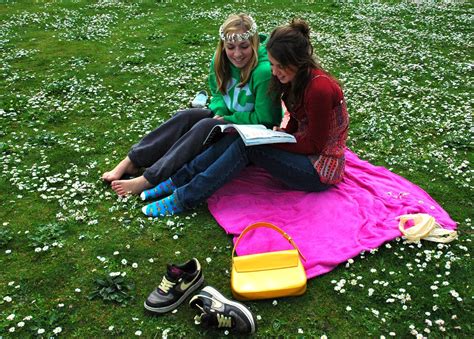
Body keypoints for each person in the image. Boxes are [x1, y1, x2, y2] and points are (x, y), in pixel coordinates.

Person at [139, 19, 349, 217]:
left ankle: (183, 199)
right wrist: (283, 135)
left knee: (249, 146)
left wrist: (276, 143)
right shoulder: (294, 78)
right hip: (301, 153)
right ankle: (176, 180)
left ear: (296, 62)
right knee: (238, 137)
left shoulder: (320, 88)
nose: (274, 72)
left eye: (278, 66)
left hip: (320, 170)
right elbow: (296, 119)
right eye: (272, 65)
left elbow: (315, 145)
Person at [102, 13, 282, 196]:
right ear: (223, 46)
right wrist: (220, 111)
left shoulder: (263, 72)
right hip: (227, 119)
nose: (237, 54)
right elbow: (218, 94)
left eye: (244, 46)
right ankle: (132, 161)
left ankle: (149, 179)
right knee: (186, 116)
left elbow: (266, 119)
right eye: (230, 47)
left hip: (250, 134)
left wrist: (228, 118)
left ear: (253, 43)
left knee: (205, 125)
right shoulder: (221, 61)